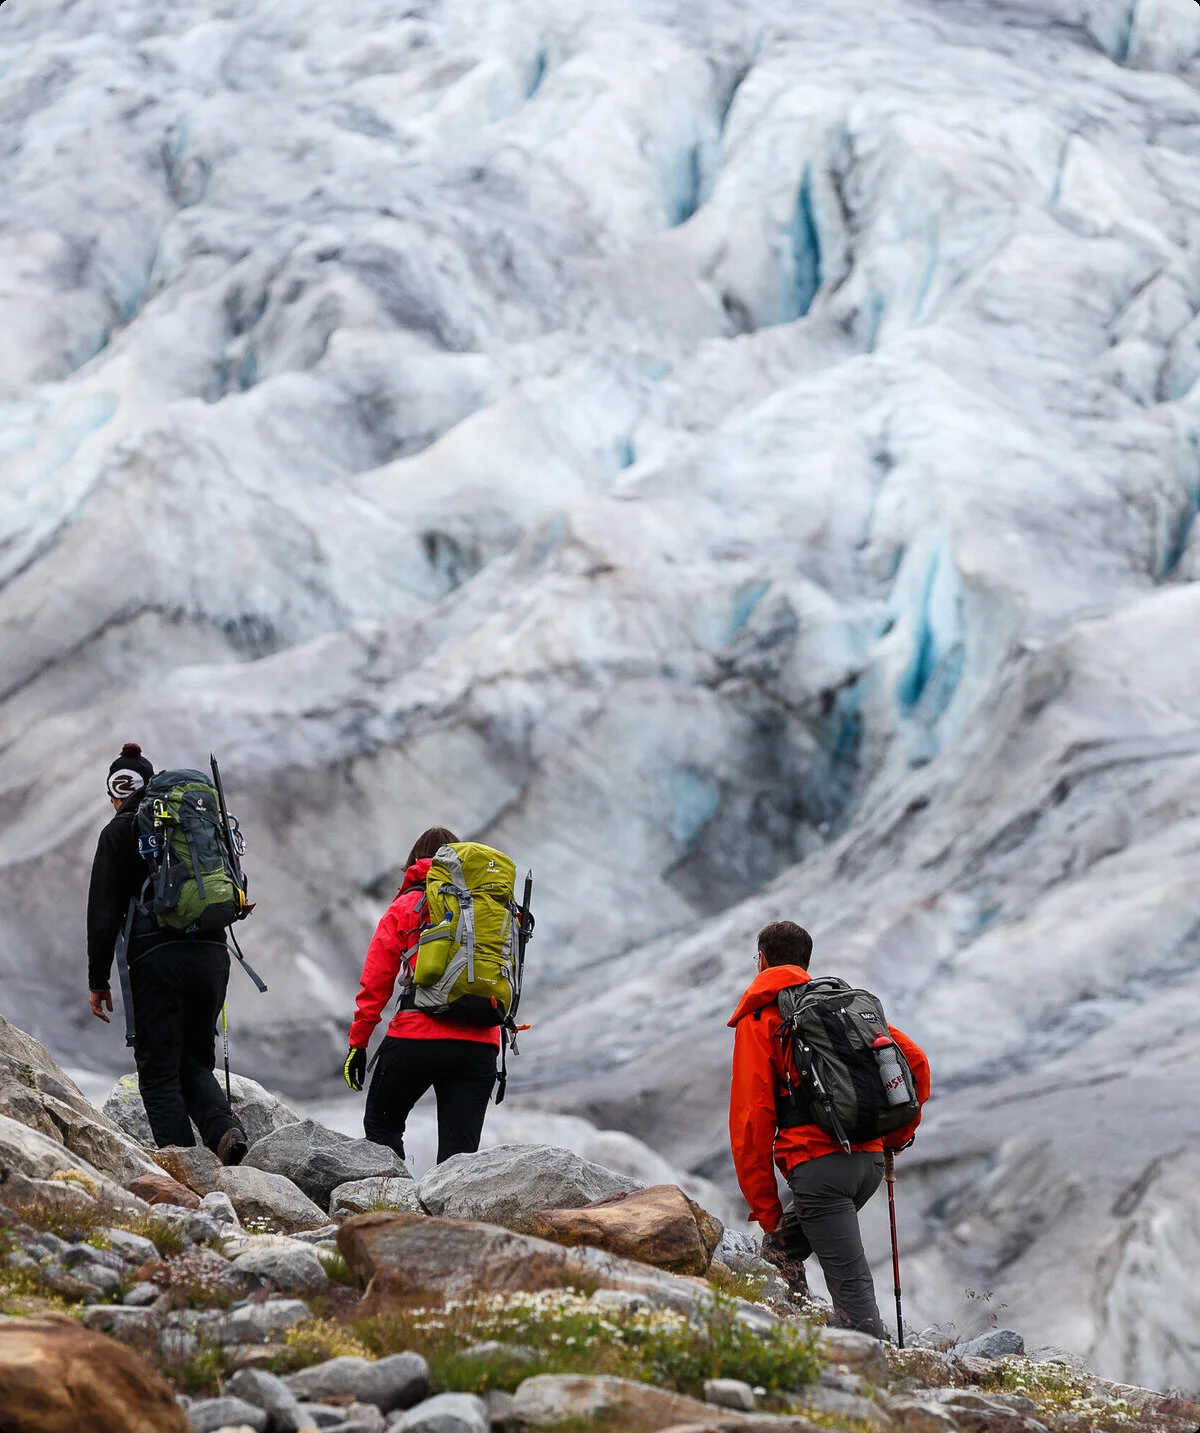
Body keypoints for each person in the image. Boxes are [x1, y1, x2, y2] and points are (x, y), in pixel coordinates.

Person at [728, 920, 930, 1338]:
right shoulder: (840, 1007)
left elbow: (752, 1119)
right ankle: (791, 1330)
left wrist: (765, 1209)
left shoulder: (764, 1018)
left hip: (819, 1169)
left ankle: (877, 1373)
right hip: (869, 1162)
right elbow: (916, 1062)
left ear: (762, 961)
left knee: (852, 1288)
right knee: (780, 1251)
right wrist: (892, 1136)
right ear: (806, 962)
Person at [87, 742, 248, 1164]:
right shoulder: (194, 824)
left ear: (117, 791)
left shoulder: (119, 831)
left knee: (158, 1073)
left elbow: (102, 912)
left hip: (156, 959)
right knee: (194, 1060)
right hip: (213, 953)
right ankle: (226, 1132)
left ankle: (187, 1175)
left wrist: (97, 981)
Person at [343, 826, 499, 1164]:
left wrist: (358, 1042)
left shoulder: (409, 904)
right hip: (480, 1044)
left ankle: (391, 1208)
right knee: (459, 1158)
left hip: (418, 1036)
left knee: (381, 1127)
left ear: (414, 861)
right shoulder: (487, 907)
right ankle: (454, 1216)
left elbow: (376, 982)